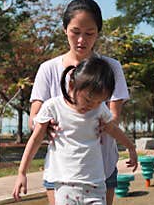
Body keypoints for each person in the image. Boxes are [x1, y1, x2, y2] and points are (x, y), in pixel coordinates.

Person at [27, 0, 130, 205]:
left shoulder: (111, 68)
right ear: (65, 29)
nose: (82, 40)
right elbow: (34, 117)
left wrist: (107, 125)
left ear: (98, 33)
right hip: (62, 172)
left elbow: (115, 114)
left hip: (102, 165)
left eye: (89, 33)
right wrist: (44, 127)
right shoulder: (48, 69)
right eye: (75, 32)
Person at [12, 57, 137, 204]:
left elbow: (114, 130)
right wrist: (22, 172)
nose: (93, 106)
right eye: (89, 100)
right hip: (64, 184)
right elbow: (35, 140)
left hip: (95, 183)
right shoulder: (52, 107)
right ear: (71, 85)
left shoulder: (99, 109)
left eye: (99, 101)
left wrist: (130, 147)